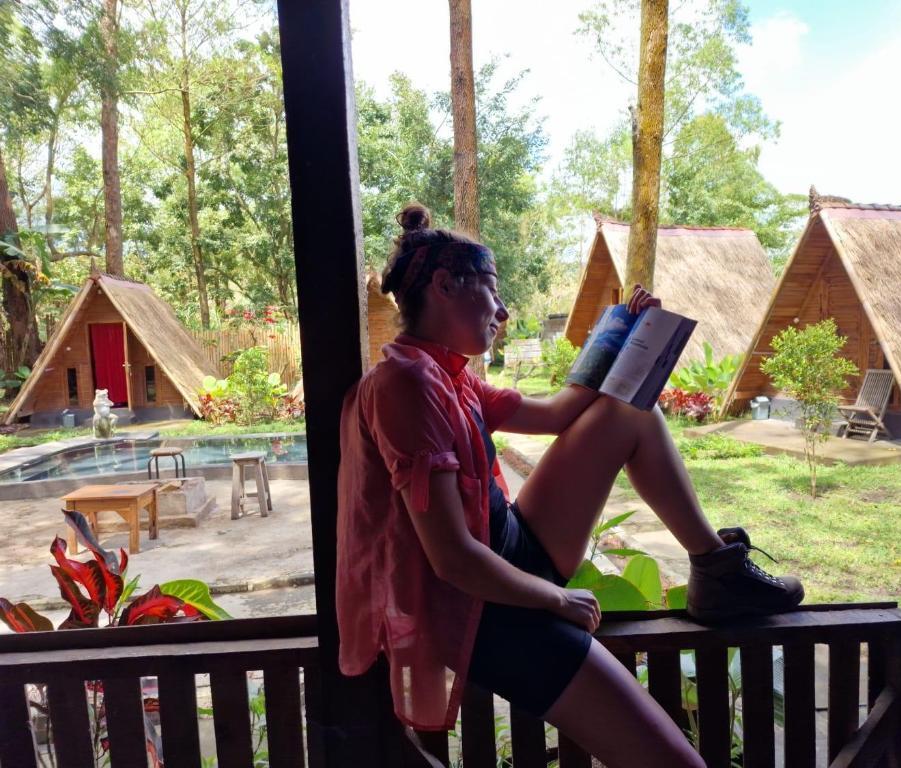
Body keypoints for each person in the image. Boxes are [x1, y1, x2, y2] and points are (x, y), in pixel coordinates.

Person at [337, 203, 803, 768]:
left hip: (513, 549)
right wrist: (558, 599)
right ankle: (716, 574)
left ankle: (716, 568)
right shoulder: (407, 384)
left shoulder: (450, 376)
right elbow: (453, 560)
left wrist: (625, 330)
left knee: (633, 414)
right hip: (485, 609)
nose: (503, 310)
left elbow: (560, 412)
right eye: (493, 290)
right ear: (444, 284)